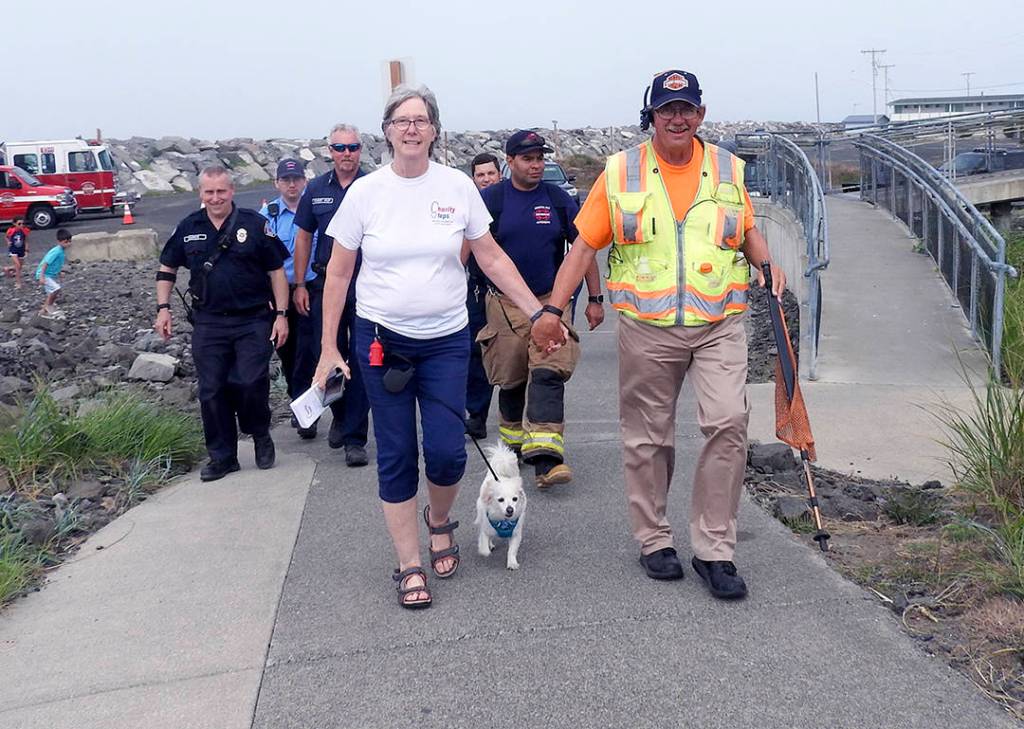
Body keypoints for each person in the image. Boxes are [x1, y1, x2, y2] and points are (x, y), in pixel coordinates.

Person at [530, 70, 787, 600]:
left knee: (728, 424)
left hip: (719, 323)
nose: (677, 118)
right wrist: (554, 309)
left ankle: (715, 549)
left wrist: (767, 262)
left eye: (686, 108)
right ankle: (653, 539)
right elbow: (582, 248)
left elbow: (744, 230)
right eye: (666, 109)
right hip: (648, 330)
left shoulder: (725, 167)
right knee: (649, 438)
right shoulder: (620, 172)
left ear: (701, 114)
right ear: (650, 116)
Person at [314, 85, 547, 610]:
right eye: (402, 120)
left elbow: (489, 257)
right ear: (388, 131)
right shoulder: (366, 193)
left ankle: (439, 520)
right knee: (395, 453)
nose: (412, 128)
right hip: (381, 342)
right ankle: (409, 562)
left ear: (435, 130)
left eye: (421, 120)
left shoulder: (456, 187)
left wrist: (537, 311)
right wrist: (330, 348)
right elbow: (338, 273)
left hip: (445, 340)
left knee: (445, 453)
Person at [476, 130, 605, 488]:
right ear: (510, 161)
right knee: (514, 377)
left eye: (540, 158)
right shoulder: (491, 200)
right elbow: (472, 251)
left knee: (549, 369)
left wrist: (595, 299)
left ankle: (547, 460)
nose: (536, 165)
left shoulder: (558, 200)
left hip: (552, 301)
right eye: (528, 159)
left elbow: (584, 250)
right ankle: (513, 446)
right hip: (505, 304)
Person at [154, 166, 290, 482]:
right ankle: (223, 456)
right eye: (209, 192)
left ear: (231, 192)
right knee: (212, 390)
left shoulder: (255, 225)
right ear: (201, 194)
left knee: (250, 381)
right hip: (209, 322)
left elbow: (276, 272)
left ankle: (260, 434)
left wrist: (281, 316)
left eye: (221, 191)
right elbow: (166, 268)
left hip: (253, 319)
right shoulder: (188, 227)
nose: (215, 198)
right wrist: (163, 309)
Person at [292, 124, 371, 466]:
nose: (346, 154)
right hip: (326, 284)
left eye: (352, 147)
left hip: (367, 284)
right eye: (340, 148)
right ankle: (339, 416)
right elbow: (304, 238)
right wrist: (299, 284)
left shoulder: (373, 187)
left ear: (360, 150)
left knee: (364, 359)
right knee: (328, 354)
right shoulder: (315, 190)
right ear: (330, 151)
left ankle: (355, 437)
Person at [260, 158, 318, 439]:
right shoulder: (267, 215)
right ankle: (300, 404)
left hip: (312, 288)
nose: (291, 184)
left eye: (296, 179)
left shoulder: (315, 209)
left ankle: (308, 411)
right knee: (288, 353)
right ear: (277, 183)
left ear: (304, 181)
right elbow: (260, 259)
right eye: (286, 180)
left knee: (309, 352)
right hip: (280, 294)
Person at [463, 152, 502, 440]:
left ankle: (517, 420)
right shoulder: (466, 208)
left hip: (508, 293)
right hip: (477, 291)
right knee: (476, 354)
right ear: (473, 179)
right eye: (481, 175)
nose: (486, 179)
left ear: (500, 174)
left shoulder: (509, 202)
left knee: (515, 358)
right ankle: (476, 415)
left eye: (491, 173)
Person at [36, 229, 72, 317]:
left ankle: (42, 312)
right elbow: (45, 263)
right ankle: (49, 306)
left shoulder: (61, 251)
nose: (68, 244)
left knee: (50, 294)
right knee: (56, 289)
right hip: (45, 275)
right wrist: (41, 277)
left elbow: (56, 264)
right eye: (66, 242)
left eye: (69, 241)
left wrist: (59, 272)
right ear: (59, 242)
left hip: (50, 275)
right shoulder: (56, 251)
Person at [5, 218, 30, 288]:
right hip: (13, 250)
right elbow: (7, 236)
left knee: (19, 267)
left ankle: (8, 269)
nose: (21, 225)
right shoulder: (11, 231)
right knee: (18, 265)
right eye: (19, 224)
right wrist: (8, 242)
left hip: (21, 250)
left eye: (22, 224)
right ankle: (18, 282)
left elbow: (26, 240)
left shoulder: (24, 231)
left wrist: (26, 249)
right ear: (14, 224)